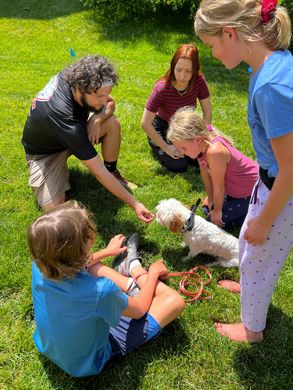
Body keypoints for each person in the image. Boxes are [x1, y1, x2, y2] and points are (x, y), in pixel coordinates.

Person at [194, 0, 293, 342]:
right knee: (250, 250)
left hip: (284, 191)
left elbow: (291, 167)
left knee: (260, 256)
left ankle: (253, 331)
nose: (212, 54)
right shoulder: (267, 66)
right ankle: (250, 283)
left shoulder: (271, 88)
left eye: (211, 45)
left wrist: (266, 219)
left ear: (230, 33)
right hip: (270, 182)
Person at [28, 201, 185, 377]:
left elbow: (79, 264)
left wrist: (107, 252)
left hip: (50, 347)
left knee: (92, 267)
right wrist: (154, 273)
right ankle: (135, 269)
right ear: (86, 241)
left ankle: (131, 279)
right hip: (89, 361)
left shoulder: (41, 264)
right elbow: (140, 310)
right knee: (174, 301)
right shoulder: (101, 291)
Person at [22, 55, 153, 223]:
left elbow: (110, 103)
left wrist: (96, 119)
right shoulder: (65, 116)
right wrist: (135, 204)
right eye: (99, 96)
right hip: (45, 154)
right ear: (80, 88)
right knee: (56, 212)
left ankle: (112, 171)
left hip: (67, 132)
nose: (104, 100)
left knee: (111, 122)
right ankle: (56, 176)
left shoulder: (76, 77)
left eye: (106, 94)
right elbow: (97, 172)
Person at [168, 107, 259, 230]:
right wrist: (211, 199)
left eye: (183, 148)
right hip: (234, 190)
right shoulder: (201, 148)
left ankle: (256, 211)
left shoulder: (214, 152)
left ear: (197, 140)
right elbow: (205, 175)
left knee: (214, 222)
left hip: (252, 192)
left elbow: (219, 187)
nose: (182, 153)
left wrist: (217, 210)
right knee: (207, 208)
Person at [141, 43, 212, 173]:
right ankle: (157, 148)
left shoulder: (199, 81)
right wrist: (166, 147)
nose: (182, 76)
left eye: (188, 71)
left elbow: (207, 111)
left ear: (194, 70)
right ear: (173, 66)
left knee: (200, 158)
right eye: (178, 69)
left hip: (186, 127)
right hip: (163, 127)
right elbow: (145, 123)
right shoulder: (162, 88)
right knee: (178, 165)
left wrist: (203, 137)